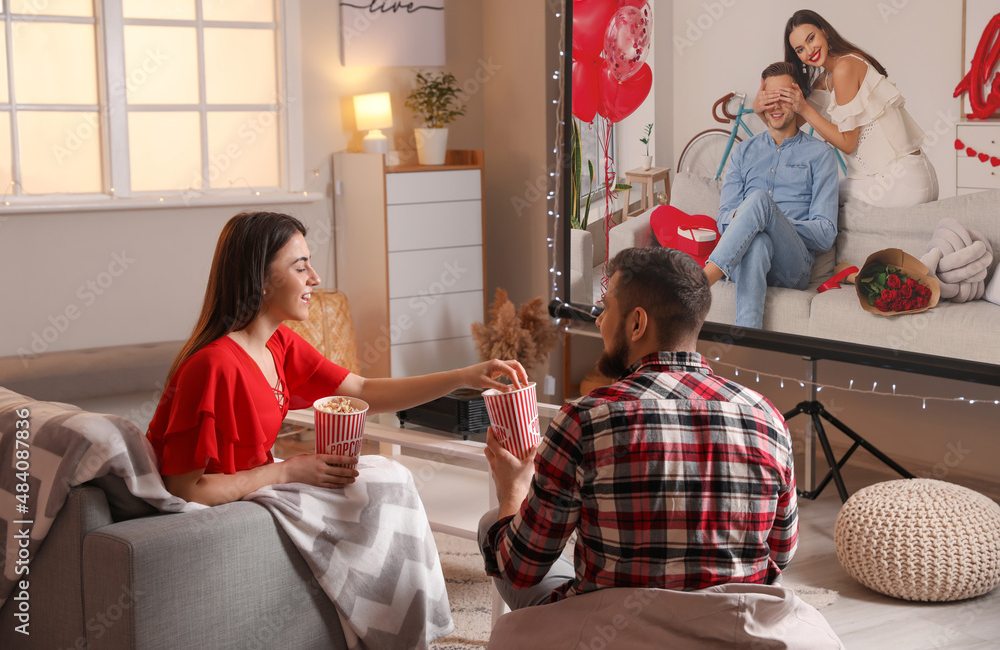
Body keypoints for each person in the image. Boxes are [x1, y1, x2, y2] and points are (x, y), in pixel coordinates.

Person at [479, 246, 797, 609]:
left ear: (636, 323)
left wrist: (512, 488)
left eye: (606, 308)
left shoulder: (583, 420)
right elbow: (780, 553)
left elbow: (519, 568)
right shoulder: (767, 418)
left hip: (614, 633)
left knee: (493, 524)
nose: (598, 321)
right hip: (733, 631)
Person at [148, 211, 527, 506]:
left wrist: (463, 375)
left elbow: (362, 390)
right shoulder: (214, 365)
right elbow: (185, 490)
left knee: (390, 479)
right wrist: (287, 472)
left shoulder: (278, 343)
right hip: (229, 510)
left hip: (259, 490)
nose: (314, 277)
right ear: (260, 280)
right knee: (376, 498)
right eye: (300, 267)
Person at [704, 61, 838, 330]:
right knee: (758, 243)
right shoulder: (743, 153)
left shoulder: (821, 155)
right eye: (769, 98)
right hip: (748, 258)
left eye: (784, 98)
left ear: (798, 98)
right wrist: (758, 225)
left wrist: (774, 221)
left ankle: (699, 282)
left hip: (794, 267)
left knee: (760, 203)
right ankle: (748, 347)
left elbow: (825, 233)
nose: (775, 106)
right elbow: (723, 219)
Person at [757, 9, 938, 208]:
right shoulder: (825, 78)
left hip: (902, 179)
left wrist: (805, 108)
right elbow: (788, 127)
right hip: (890, 177)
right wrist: (760, 109)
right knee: (811, 193)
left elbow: (848, 143)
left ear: (824, 31)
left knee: (813, 198)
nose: (809, 51)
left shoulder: (845, 68)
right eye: (800, 49)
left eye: (811, 38)